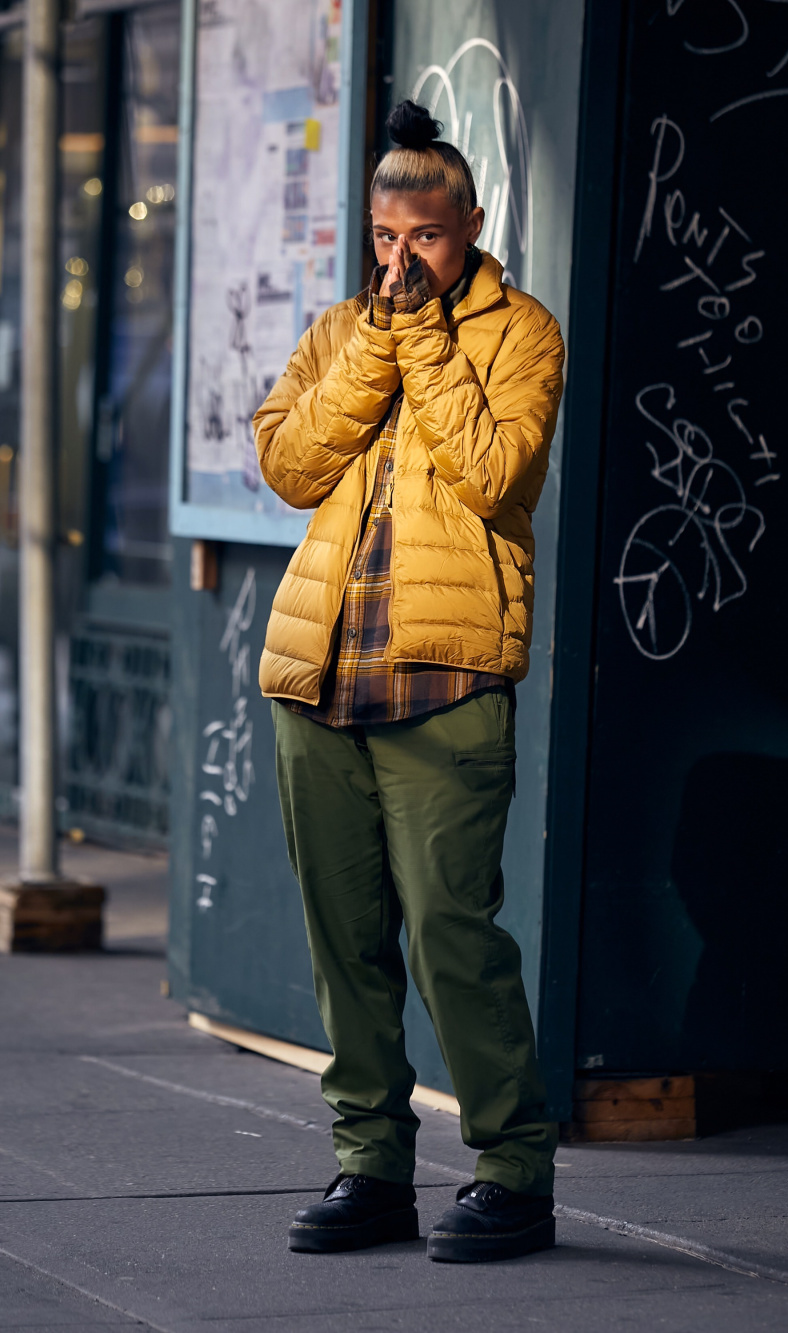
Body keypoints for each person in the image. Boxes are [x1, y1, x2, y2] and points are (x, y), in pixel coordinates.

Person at [253, 99, 564, 1264]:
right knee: (346, 940)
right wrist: (378, 342)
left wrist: (424, 339)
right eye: (386, 239)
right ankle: (371, 1167)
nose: (401, 261)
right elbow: (290, 463)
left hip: (448, 680)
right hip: (320, 676)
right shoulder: (344, 330)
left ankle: (512, 1171)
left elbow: (495, 473)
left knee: (449, 932)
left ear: (470, 225)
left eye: (425, 238)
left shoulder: (524, 332)